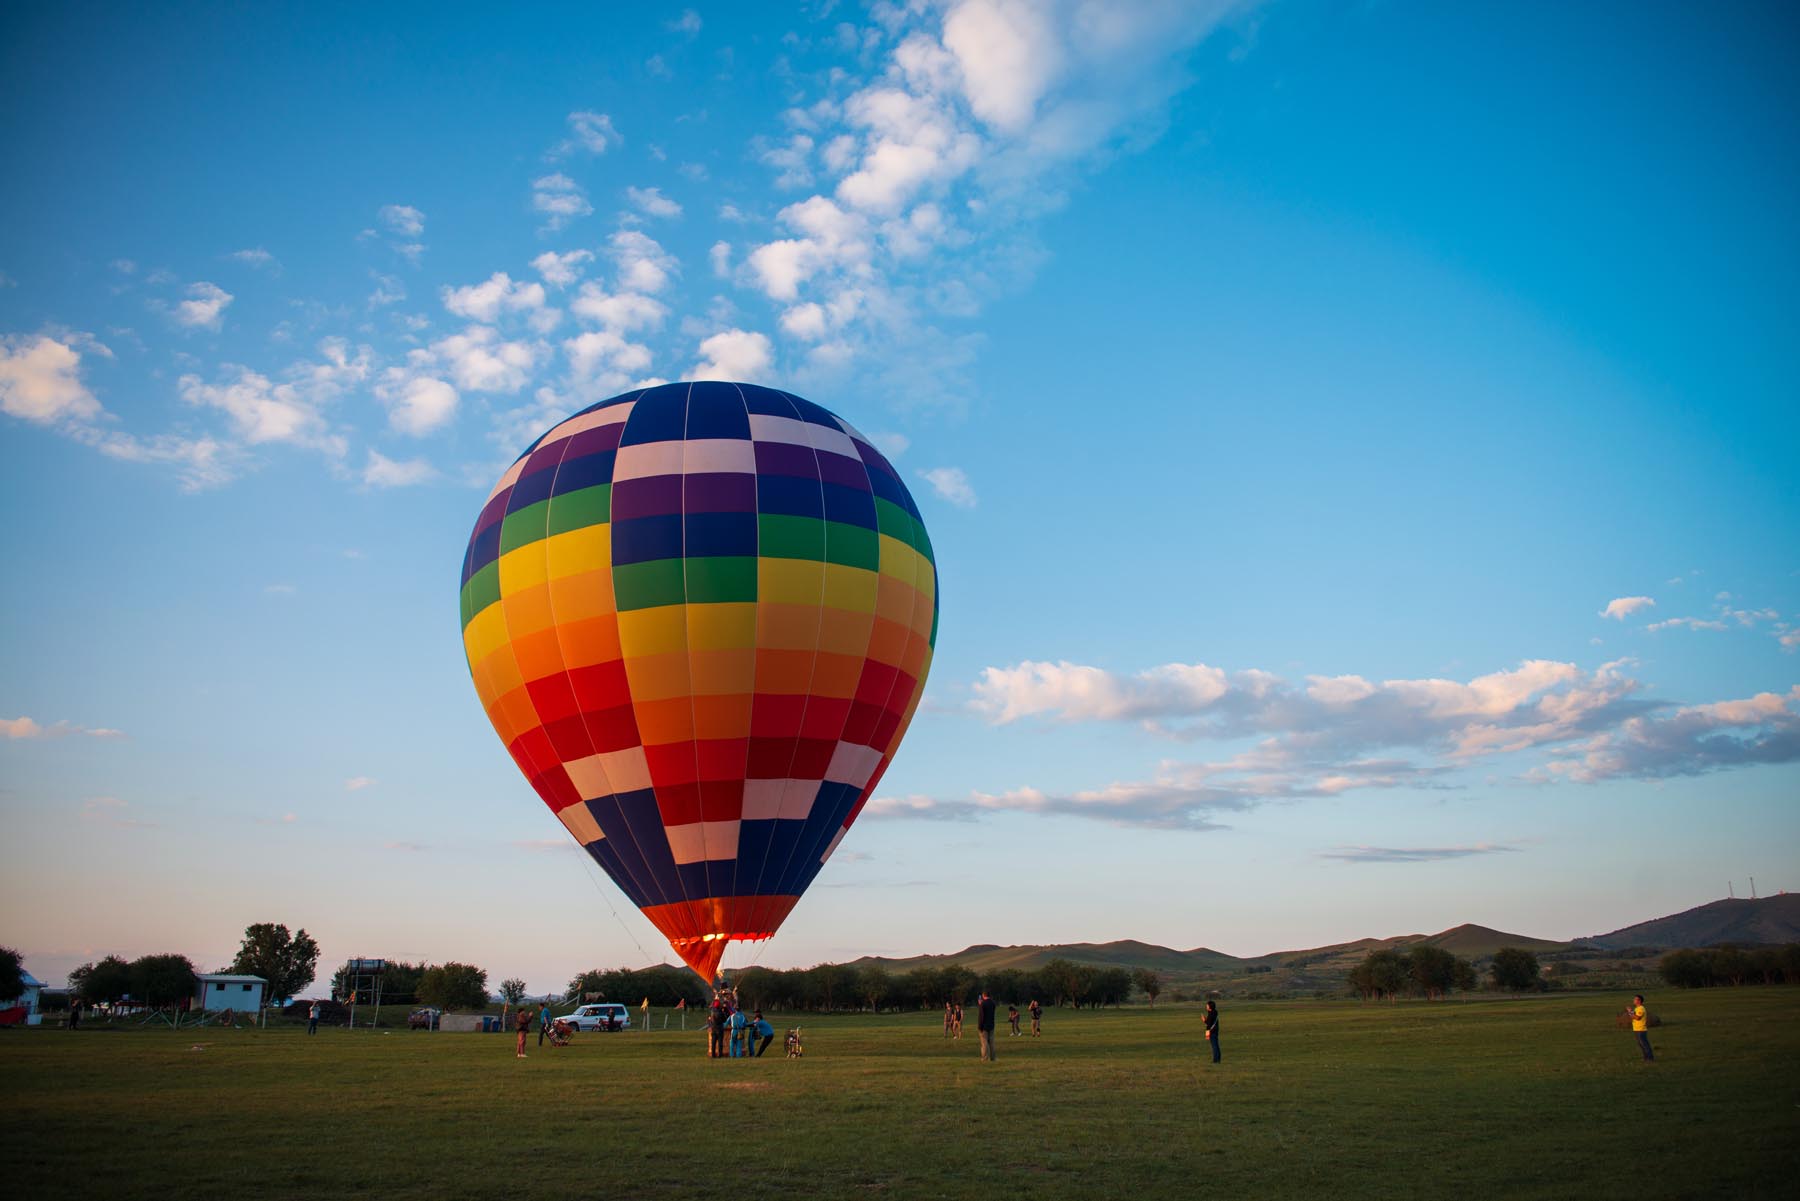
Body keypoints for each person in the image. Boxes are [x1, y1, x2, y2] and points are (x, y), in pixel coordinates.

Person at [1627, 994, 1654, 1062]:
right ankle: (1646, 1058)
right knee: (1641, 1045)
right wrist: (1630, 1011)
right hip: (1636, 1029)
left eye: (1635, 999)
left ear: (1639, 1000)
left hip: (1641, 1029)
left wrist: (1630, 1011)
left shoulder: (1641, 1008)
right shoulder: (1636, 1008)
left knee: (1644, 1044)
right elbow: (1632, 1016)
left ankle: (1650, 1058)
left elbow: (1637, 1018)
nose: (1633, 1000)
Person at [976, 989, 997, 1062]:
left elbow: (981, 1016)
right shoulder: (993, 1003)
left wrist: (980, 1026)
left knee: (984, 1043)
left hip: (984, 1026)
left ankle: (985, 1058)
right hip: (991, 1025)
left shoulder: (983, 1004)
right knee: (991, 1042)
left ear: (983, 995)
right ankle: (993, 1058)